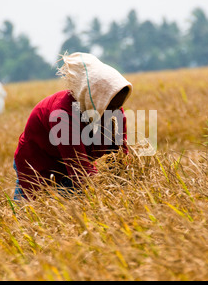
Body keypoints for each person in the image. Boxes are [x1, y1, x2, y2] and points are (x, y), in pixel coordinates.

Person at [13, 52, 133, 200]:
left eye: (119, 105)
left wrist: (124, 186)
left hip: (70, 163)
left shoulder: (114, 113)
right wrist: (105, 196)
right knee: (29, 214)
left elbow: (120, 158)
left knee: (75, 207)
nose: (115, 111)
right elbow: (79, 171)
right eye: (111, 105)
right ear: (97, 98)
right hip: (38, 164)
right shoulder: (63, 115)